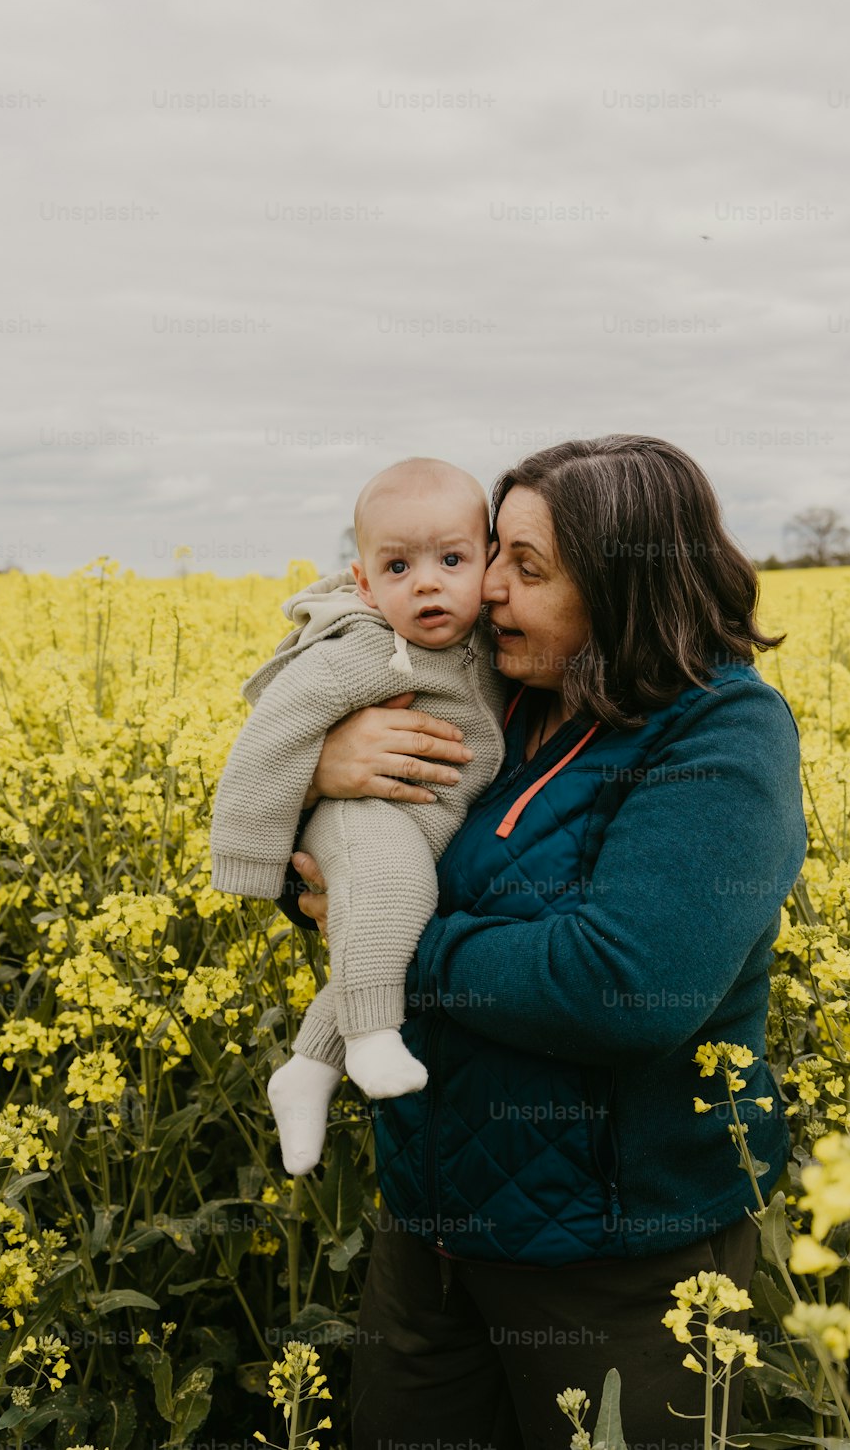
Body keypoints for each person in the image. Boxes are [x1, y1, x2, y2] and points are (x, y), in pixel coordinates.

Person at [278, 434, 808, 1449]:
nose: (487, 595)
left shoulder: (719, 737)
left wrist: (396, 943)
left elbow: (621, 985)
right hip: (430, 1231)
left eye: (528, 570)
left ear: (622, 586)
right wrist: (321, 772)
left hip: (617, 1257)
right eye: (493, 558)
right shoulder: (490, 695)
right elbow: (319, 884)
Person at [209, 458, 508, 1172]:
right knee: (397, 892)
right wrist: (249, 859)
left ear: (488, 566)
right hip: (361, 815)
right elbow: (270, 736)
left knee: (391, 929)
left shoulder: (493, 644)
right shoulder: (367, 650)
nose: (428, 582)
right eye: (399, 568)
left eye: (452, 560)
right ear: (365, 584)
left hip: (415, 818)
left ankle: (309, 1069)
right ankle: (372, 1039)